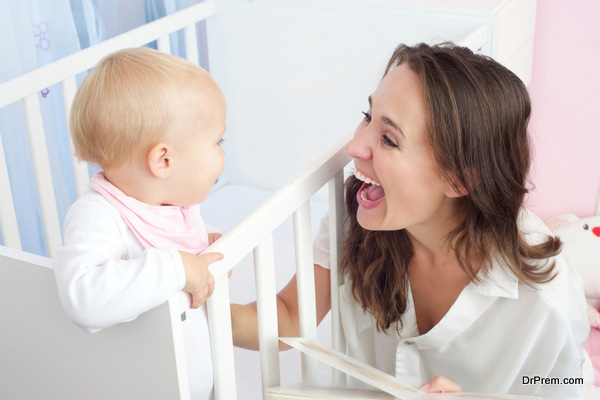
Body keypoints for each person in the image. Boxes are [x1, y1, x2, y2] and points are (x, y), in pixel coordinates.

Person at [231, 43, 589, 398]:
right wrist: (186, 288)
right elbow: (290, 315)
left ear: (459, 180)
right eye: (368, 117)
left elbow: (564, 387)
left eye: (388, 139)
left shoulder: (542, 295)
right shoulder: (358, 216)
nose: (355, 147)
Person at [54, 47, 226, 400]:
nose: (224, 152)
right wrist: (178, 266)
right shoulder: (99, 214)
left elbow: (171, 267)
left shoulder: (173, 201)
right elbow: (83, 297)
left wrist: (197, 261)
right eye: (218, 141)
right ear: (164, 160)